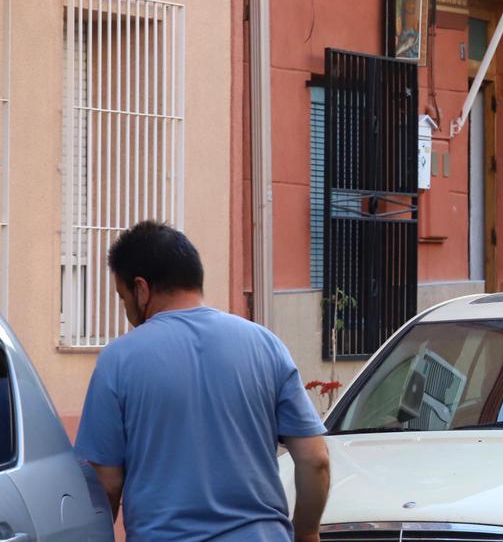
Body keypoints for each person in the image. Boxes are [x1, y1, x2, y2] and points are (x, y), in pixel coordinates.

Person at [74, 221, 330, 541]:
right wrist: (306, 533)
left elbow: (106, 484)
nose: (127, 308)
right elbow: (315, 460)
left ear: (141, 289)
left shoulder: (118, 360)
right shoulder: (266, 345)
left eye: (123, 297)